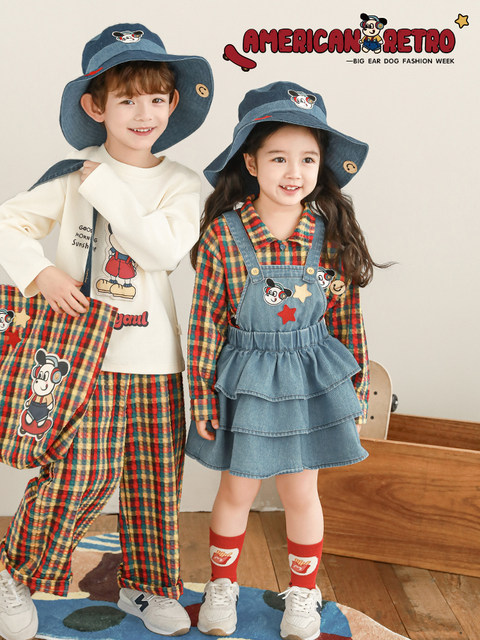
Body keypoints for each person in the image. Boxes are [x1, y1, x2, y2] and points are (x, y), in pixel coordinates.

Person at [0, 23, 213, 640]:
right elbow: (8, 223)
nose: (143, 114)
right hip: (83, 359)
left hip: (156, 360)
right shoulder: (71, 176)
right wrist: (40, 272)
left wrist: (105, 184)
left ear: (173, 104)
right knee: (77, 476)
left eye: (156, 99)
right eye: (127, 100)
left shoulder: (183, 183)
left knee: (154, 480)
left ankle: (148, 586)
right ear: (96, 107)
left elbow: (162, 250)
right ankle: (15, 574)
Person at [186, 81, 376, 640]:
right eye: (278, 158)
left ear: (321, 165)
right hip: (247, 378)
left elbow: (348, 319)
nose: (294, 172)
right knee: (237, 489)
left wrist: (357, 389)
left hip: (309, 379)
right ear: (251, 163)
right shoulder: (224, 236)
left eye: (307, 159)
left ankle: (302, 594)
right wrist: (202, 394)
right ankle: (222, 586)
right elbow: (204, 322)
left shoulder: (330, 235)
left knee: (301, 492)